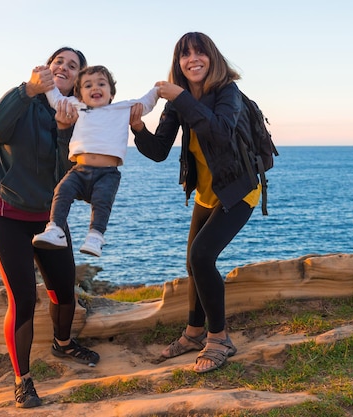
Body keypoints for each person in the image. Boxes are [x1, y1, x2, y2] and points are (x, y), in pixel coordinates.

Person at [129, 32, 261, 373]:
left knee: (202, 256)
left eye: (199, 52)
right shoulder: (178, 101)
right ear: (179, 64)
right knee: (193, 263)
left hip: (239, 190)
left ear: (211, 57)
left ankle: (219, 339)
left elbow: (219, 131)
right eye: (185, 55)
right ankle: (193, 333)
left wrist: (179, 97)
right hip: (207, 192)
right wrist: (138, 128)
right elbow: (159, 151)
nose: (193, 59)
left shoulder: (227, 92)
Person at [0, 46, 100, 409]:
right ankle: (23, 380)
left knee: (64, 290)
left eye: (72, 65)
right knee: (23, 300)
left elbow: (69, 176)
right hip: (6, 214)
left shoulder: (78, 116)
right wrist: (25, 90)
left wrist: (64, 131)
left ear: (78, 80)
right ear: (46, 69)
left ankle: (63, 344)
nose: (63, 67)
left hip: (49, 221)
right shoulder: (24, 99)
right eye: (58, 61)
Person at [32, 65, 160, 257]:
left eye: (101, 84)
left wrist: (158, 90)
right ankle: (55, 229)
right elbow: (56, 99)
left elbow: (145, 104)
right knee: (62, 191)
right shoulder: (77, 106)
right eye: (88, 85)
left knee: (102, 201)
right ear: (80, 94)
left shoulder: (122, 108)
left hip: (108, 172)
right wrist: (47, 78)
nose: (95, 88)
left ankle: (96, 235)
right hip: (79, 169)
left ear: (111, 93)